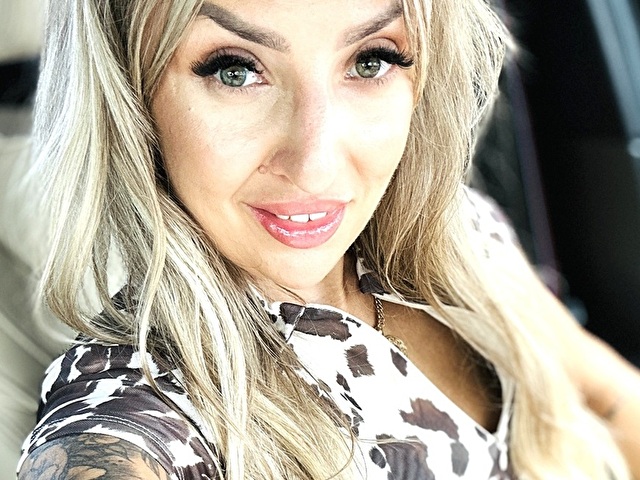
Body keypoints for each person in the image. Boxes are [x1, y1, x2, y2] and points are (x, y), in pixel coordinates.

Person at [16, 0, 640, 478]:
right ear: (131, 93)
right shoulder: (139, 404)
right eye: (235, 70)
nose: (315, 167)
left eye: (371, 61)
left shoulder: (460, 232)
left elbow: (611, 400)